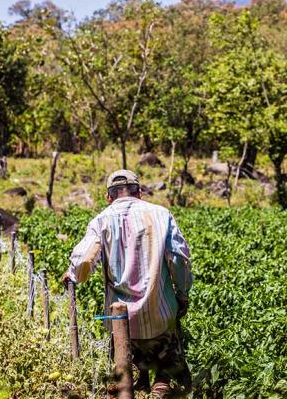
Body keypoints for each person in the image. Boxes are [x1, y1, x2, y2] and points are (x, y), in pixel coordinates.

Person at [62, 169, 193, 398]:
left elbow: (83, 260)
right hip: (160, 315)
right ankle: (161, 387)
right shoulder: (162, 214)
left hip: (122, 323)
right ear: (139, 192)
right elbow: (179, 258)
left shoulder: (101, 220)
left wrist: (73, 275)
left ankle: (140, 388)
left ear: (108, 197)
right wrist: (182, 293)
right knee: (168, 377)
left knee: (127, 383)